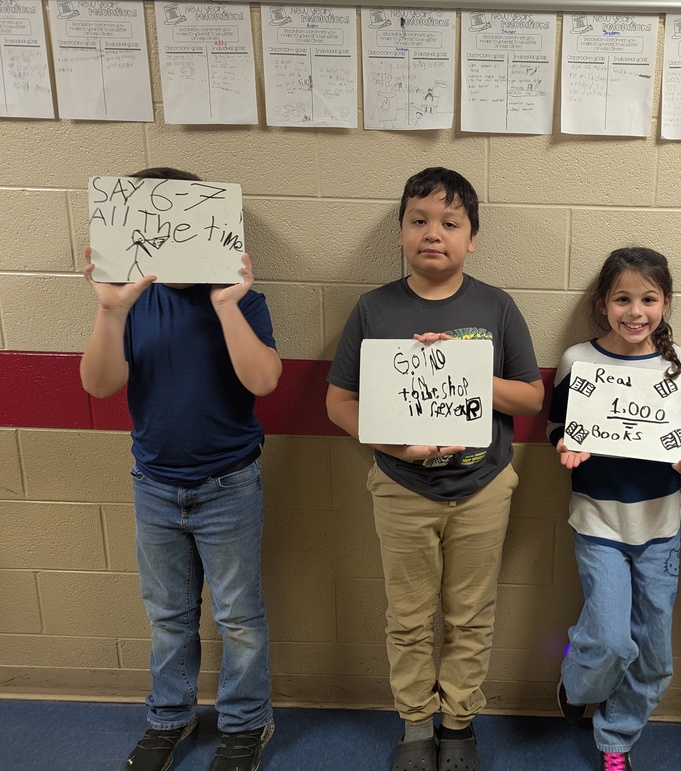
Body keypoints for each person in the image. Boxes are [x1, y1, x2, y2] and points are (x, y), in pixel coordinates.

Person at [325, 167, 544, 771]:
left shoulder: (495, 307)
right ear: (399, 233)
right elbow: (339, 402)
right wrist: (393, 448)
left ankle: (459, 724)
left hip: (483, 487)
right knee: (409, 615)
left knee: (470, 615)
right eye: (418, 221)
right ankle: (416, 723)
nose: (433, 234)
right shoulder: (374, 308)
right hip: (401, 489)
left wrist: (467, 370)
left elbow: (530, 398)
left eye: (450, 223)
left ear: (472, 238)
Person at [80, 167, 280, 771]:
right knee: (168, 615)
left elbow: (264, 380)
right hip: (156, 487)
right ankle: (170, 716)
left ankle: (247, 722)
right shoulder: (132, 304)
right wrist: (112, 312)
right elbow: (100, 383)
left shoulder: (243, 302)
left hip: (229, 484)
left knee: (238, 616)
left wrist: (226, 306)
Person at [547, 247, 681, 771]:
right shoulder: (579, 360)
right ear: (602, 303)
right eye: (622, 299)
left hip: (660, 528)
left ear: (665, 302)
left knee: (655, 655)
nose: (635, 312)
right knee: (612, 640)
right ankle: (575, 681)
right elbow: (558, 427)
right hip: (598, 522)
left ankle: (616, 739)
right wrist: (564, 448)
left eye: (648, 299)